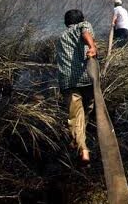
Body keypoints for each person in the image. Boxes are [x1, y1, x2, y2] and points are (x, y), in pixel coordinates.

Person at [55, 9, 97, 163]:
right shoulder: (83, 25)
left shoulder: (61, 37)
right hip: (84, 78)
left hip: (67, 82)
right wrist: (92, 47)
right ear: (81, 20)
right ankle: (81, 146)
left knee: (75, 117)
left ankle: (81, 146)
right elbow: (86, 34)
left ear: (66, 23)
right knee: (86, 111)